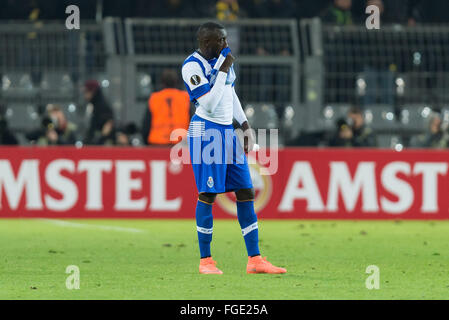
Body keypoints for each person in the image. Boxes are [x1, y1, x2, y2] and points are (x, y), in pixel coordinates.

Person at [181, 22, 286, 275]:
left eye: (226, 40)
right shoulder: (192, 66)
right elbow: (208, 104)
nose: (226, 45)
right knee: (208, 193)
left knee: (245, 190)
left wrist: (246, 125)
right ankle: (205, 261)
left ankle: (255, 260)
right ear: (207, 43)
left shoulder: (223, 61)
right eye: (221, 41)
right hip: (206, 131)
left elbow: (229, 94)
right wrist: (222, 69)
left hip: (226, 131)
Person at [142, 69, 191, 145]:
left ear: (162, 82)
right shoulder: (185, 97)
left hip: (157, 141)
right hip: (181, 141)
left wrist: (145, 141)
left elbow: (147, 123)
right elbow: (192, 121)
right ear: (176, 82)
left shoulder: (154, 98)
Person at [83, 80, 115, 145]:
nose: (84, 95)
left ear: (92, 91)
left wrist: (99, 141)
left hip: (101, 145)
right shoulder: (92, 105)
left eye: (86, 92)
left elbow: (108, 126)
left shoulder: (102, 106)